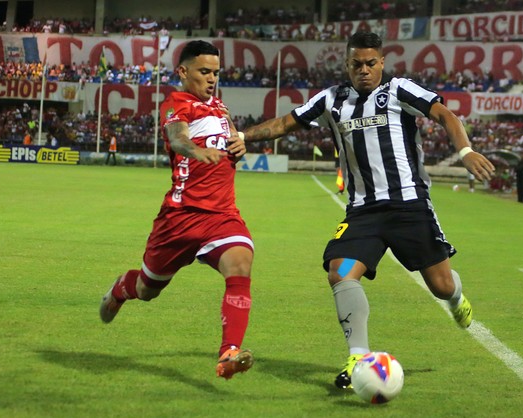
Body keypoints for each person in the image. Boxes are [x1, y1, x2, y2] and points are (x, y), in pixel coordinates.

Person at [238, 31, 495, 389]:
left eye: (370, 63)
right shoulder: (331, 100)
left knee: (441, 285)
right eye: (356, 64)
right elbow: (285, 123)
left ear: (382, 63)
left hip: (409, 205)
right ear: (347, 64)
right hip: (363, 211)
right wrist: (243, 137)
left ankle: (455, 300)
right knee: (340, 271)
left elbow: (445, 115)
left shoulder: (399, 90)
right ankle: (358, 357)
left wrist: (465, 152)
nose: (363, 70)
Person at [98, 40, 254, 380]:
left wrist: (239, 143)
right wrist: (195, 152)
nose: (211, 78)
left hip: (222, 215)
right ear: (183, 72)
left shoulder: (222, 110)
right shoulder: (177, 103)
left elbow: (231, 146)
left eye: (215, 72)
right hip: (180, 218)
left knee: (240, 266)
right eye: (203, 71)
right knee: (147, 290)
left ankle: (229, 353)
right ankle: (122, 288)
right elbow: (178, 137)